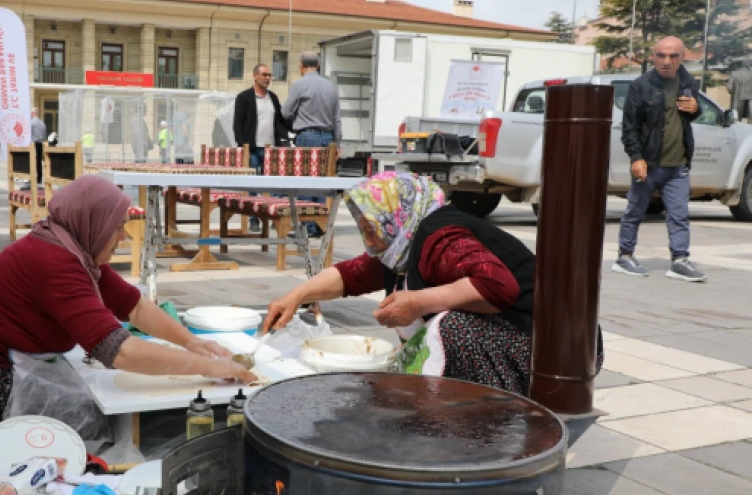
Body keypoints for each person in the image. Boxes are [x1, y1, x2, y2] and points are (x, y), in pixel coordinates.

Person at [0, 175, 257, 435]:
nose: (123, 236)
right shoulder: (56, 262)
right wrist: (208, 367)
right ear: (94, 222)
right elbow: (119, 352)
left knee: (86, 396)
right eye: (118, 227)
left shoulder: (72, 248)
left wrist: (192, 342)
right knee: (86, 418)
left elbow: (134, 306)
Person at [262, 173, 603, 396]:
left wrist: (418, 302)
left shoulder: (440, 237)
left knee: (452, 328)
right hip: (533, 339)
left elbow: (499, 286)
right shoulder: (400, 246)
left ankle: (492, 421)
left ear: (398, 216)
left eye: (372, 226)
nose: (368, 237)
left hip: (560, 348)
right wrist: (296, 296)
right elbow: (351, 274)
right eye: (364, 227)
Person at [614, 36, 705, 282]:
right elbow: (630, 128)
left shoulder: (688, 82)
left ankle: (679, 260)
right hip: (650, 163)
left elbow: (692, 115)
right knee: (635, 210)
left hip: (678, 165)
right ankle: (625, 256)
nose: (666, 61)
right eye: (661, 55)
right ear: (653, 57)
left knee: (679, 215)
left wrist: (696, 109)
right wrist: (636, 157)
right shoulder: (641, 86)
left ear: (681, 58)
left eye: (673, 56)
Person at [281, 51, 342, 238]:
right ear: (318, 65)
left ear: (301, 65)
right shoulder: (330, 87)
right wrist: (338, 144)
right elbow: (337, 118)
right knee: (322, 183)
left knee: (306, 182)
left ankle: (307, 227)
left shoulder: (299, 85)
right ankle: (321, 225)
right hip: (328, 138)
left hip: (307, 136)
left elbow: (285, 112)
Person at [234, 63, 290, 232]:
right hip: (252, 148)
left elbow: (280, 121)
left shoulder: (272, 97)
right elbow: (238, 125)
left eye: (269, 75)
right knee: (252, 184)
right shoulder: (244, 98)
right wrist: (243, 146)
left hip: (270, 148)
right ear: (255, 76)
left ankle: (273, 214)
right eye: (264, 75)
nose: (267, 78)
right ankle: (254, 218)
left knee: (273, 183)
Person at [31, 107, 47, 184]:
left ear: (33, 113)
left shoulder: (31, 122)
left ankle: (32, 176)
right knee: (39, 161)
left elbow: (30, 134)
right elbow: (44, 134)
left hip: (33, 144)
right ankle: (39, 177)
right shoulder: (42, 122)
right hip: (40, 143)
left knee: (32, 160)